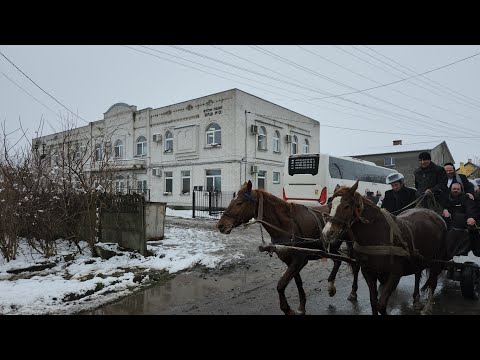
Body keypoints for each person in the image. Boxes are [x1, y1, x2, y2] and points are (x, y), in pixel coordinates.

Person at [442, 182, 478, 257]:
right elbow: (443, 205)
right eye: (454, 189)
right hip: (449, 220)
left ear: (461, 190)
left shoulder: (466, 197)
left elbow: (470, 208)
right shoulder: (446, 197)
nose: (456, 190)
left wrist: (471, 217)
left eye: (458, 189)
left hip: (462, 221)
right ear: (451, 189)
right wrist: (444, 209)